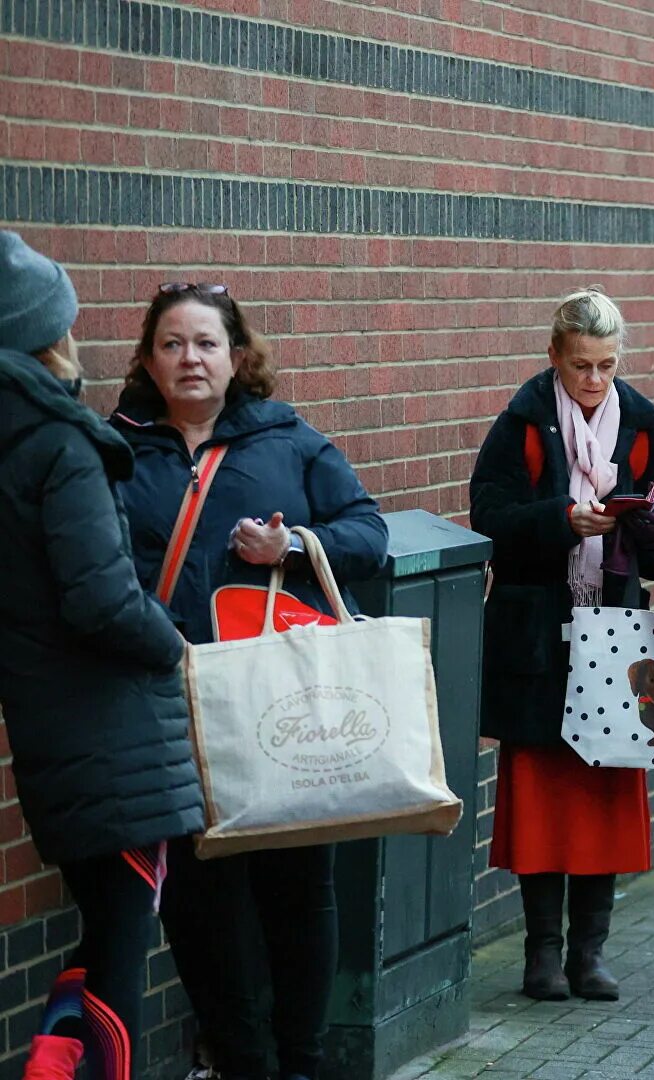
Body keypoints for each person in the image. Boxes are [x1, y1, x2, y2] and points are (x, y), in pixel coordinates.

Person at [113, 282, 387, 1080]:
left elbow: (366, 532)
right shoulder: (117, 448)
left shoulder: (288, 440)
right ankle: (242, 1063)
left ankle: (300, 1061)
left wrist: (293, 547)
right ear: (148, 360)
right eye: (171, 344)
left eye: (205, 343)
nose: (189, 358)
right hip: (174, 709)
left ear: (237, 357)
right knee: (201, 903)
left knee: (297, 892)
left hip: (279, 708)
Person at [0, 233, 205, 1080]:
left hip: (53, 734)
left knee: (102, 931)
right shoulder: (61, 444)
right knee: (122, 951)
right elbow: (102, 600)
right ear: (49, 335)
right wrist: (177, 647)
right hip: (113, 740)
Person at [469, 287, 654, 1002]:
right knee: (540, 798)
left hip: (617, 630)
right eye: (582, 364)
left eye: (608, 365)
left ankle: (590, 955)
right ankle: (542, 956)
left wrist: (643, 524)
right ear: (555, 354)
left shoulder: (644, 429)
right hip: (537, 639)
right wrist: (563, 520)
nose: (594, 379)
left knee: (605, 791)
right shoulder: (522, 424)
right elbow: (487, 517)